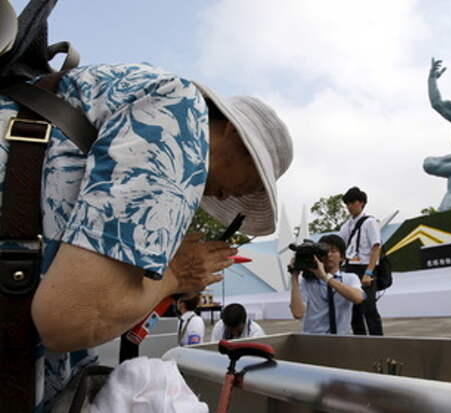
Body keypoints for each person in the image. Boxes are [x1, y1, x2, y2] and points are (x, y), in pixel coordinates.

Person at [0, 11, 294, 409]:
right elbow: (69, 319)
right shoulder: (181, 117)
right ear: (232, 134)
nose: (228, 198)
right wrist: (174, 275)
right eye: (253, 183)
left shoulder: (121, 96)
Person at [289, 234, 365, 334]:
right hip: (313, 339)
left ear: (342, 257)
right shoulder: (308, 281)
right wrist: (294, 276)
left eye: (333, 251)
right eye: (324, 252)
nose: (329, 255)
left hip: (341, 339)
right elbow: (298, 314)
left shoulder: (350, 278)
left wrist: (325, 277)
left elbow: (358, 298)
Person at [338, 186, 384, 336]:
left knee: (369, 309)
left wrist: (369, 272)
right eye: (347, 203)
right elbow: (340, 247)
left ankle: (378, 344)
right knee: (353, 311)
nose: (349, 206)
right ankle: (360, 343)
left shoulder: (370, 222)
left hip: (365, 269)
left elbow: (376, 248)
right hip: (350, 269)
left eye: (352, 202)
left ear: (362, 202)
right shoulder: (346, 226)